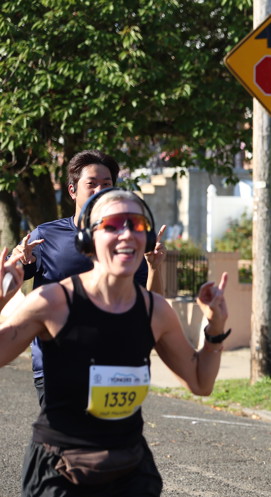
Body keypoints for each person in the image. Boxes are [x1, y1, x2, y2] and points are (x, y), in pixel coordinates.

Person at [0, 188, 228, 497]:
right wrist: (3, 291)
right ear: (88, 238)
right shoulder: (52, 301)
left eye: (135, 224)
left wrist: (215, 329)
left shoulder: (154, 311)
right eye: (112, 225)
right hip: (59, 473)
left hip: (128, 471)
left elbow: (201, 381)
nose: (126, 233)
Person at [6, 150, 167, 404]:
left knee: (112, 431)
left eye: (106, 184)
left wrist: (154, 266)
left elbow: (153, 306)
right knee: (63, 430)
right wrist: (16, 264)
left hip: (113, 368)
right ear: (72, 190)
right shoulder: (44, 237)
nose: (99, 190)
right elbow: (7, 283)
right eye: (91, 184)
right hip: (56, 367)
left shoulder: (126, 241)